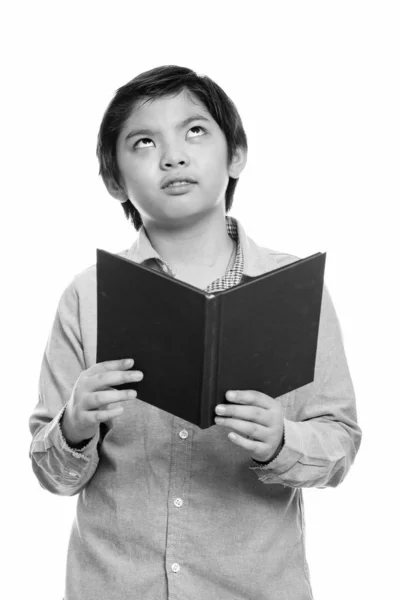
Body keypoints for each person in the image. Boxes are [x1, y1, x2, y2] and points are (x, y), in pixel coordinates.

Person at [29, 65, 362, 600]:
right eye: (143, 142)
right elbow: (52, 474)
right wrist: (72, 425)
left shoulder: (293, 291)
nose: (173, 156)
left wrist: (283, 440)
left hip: (254, 586)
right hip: (115, 585)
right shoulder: (88, 297)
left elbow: (340, 443)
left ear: (236, 154)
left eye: (195, 131)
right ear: (115, 180)